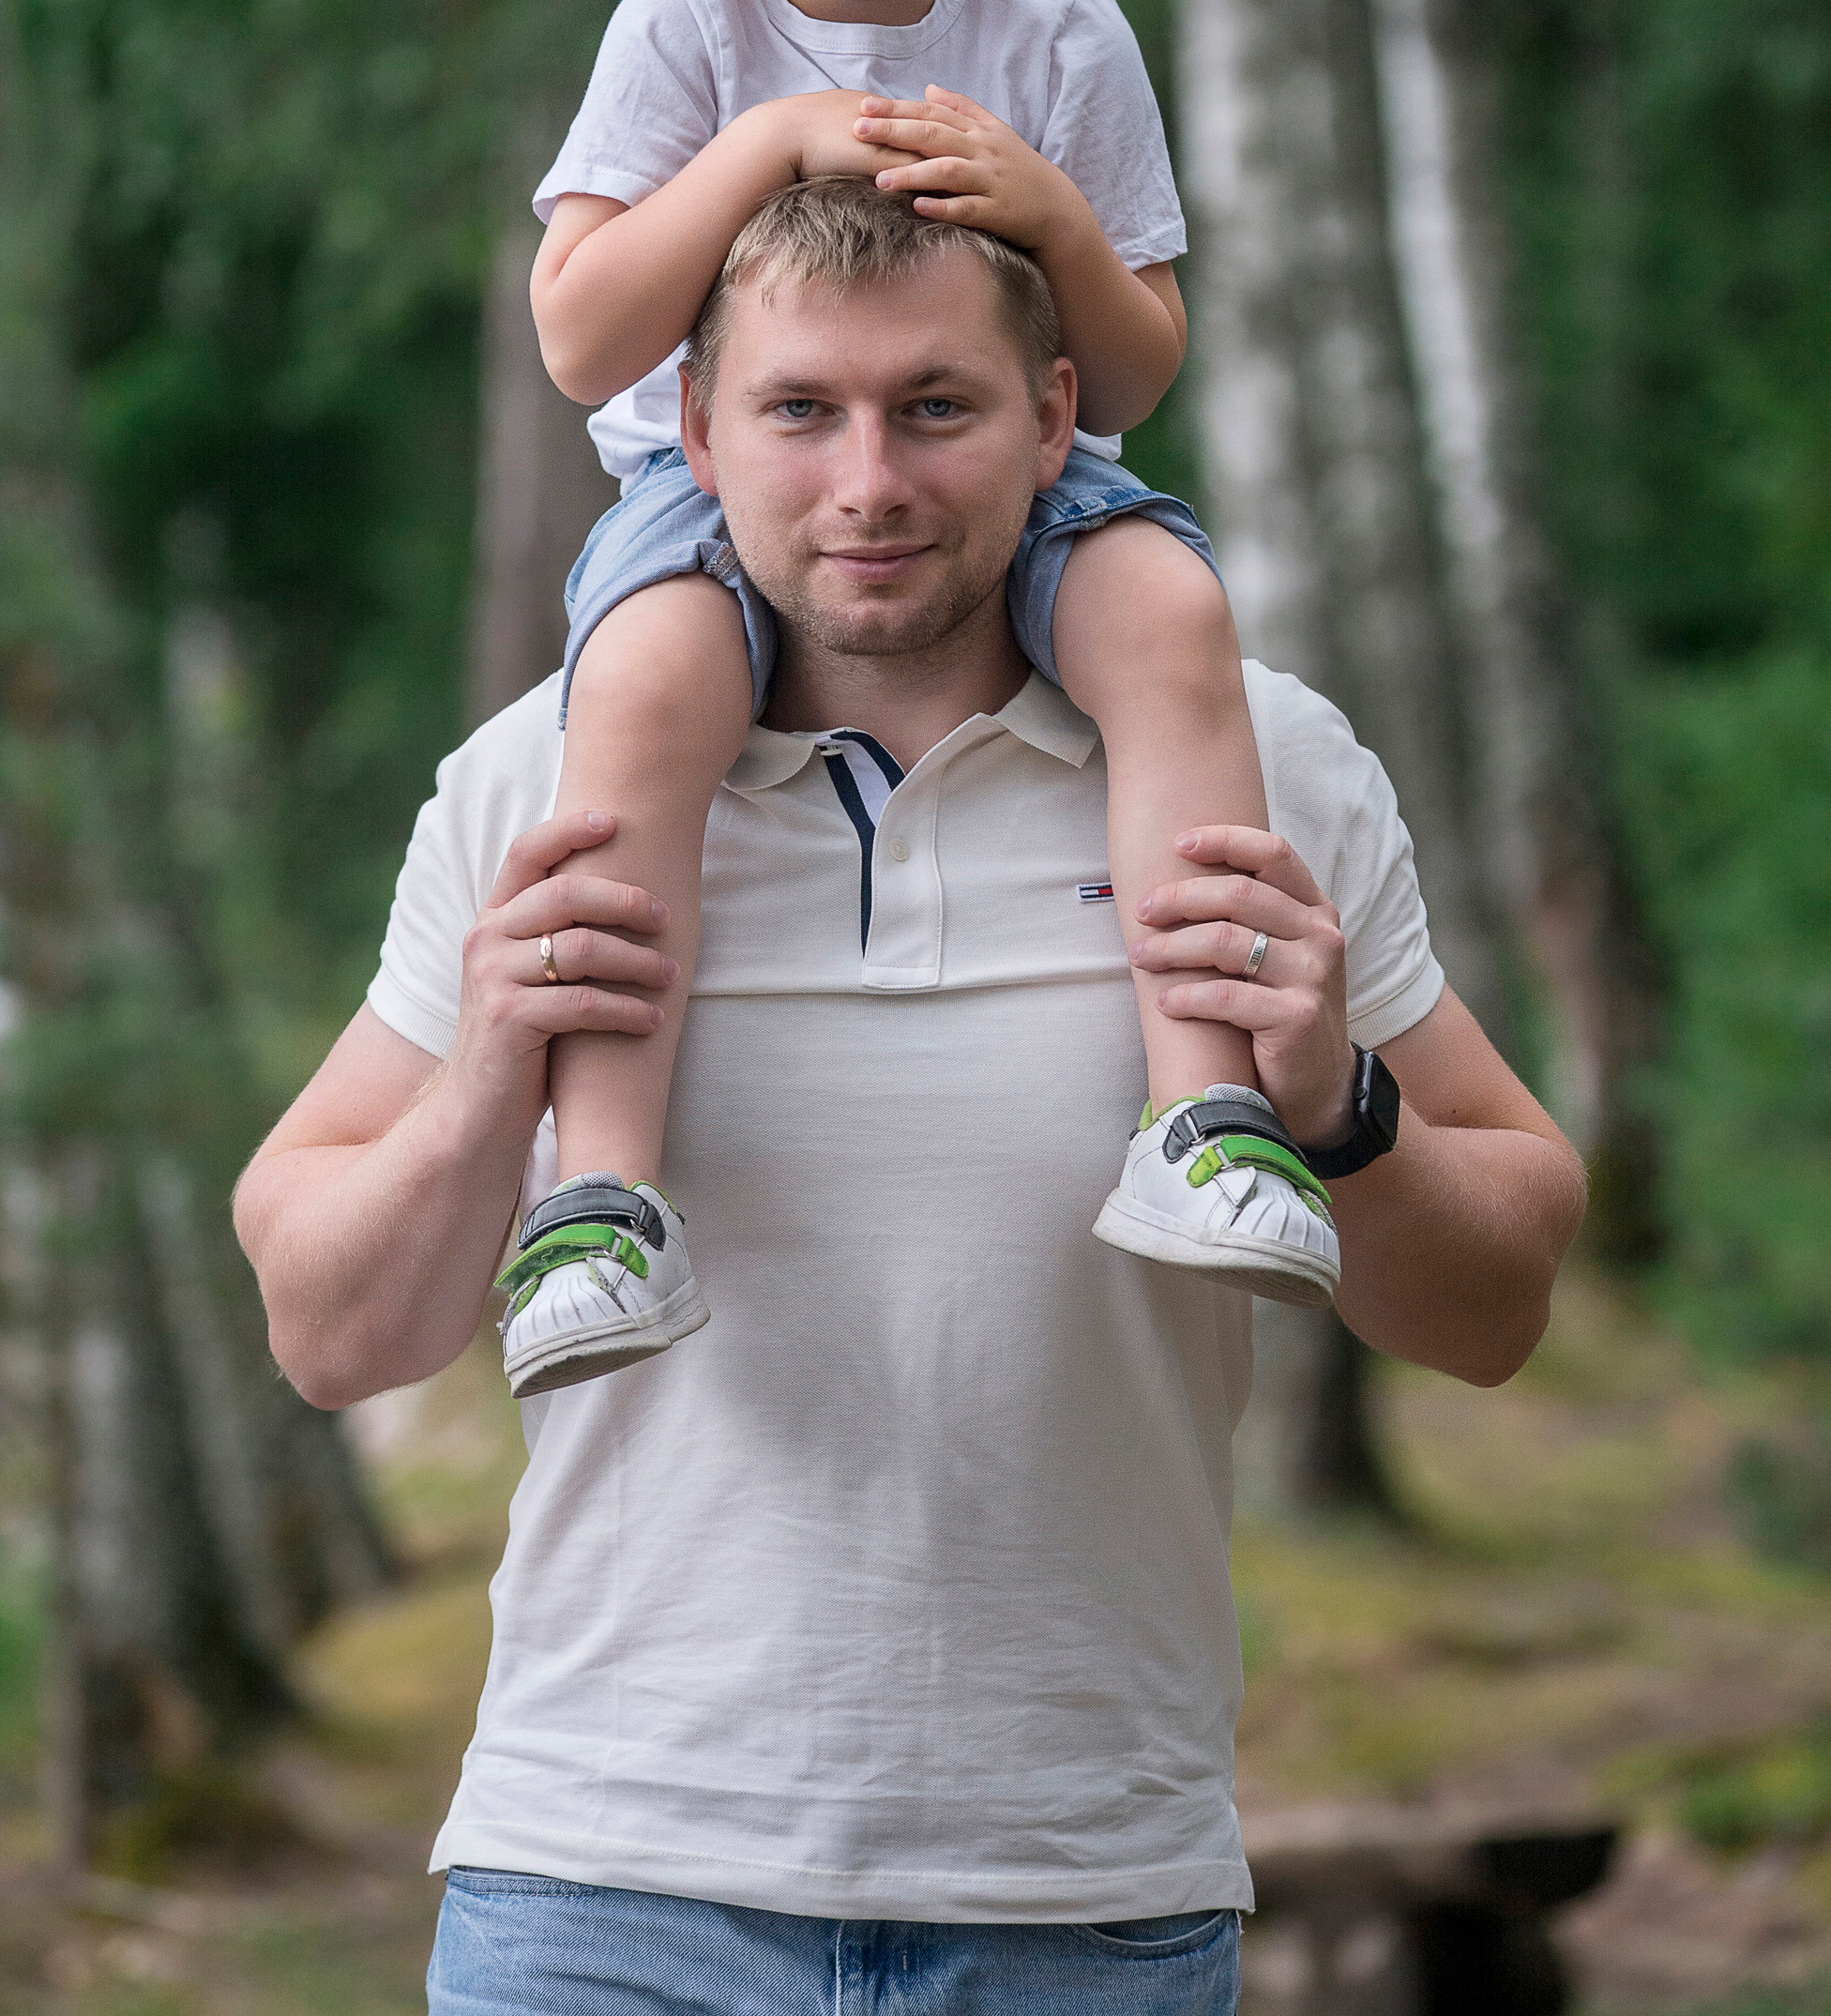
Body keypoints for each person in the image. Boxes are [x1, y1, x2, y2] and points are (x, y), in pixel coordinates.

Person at [235, 180, 1586, 2016]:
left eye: (935, 406)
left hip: (1089, 1903)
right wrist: (489, 1081)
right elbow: (326, 1331)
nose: (867, 482)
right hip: (603, 1896)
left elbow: (1500, 1306)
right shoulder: (545, 782)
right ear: (694, 428)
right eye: (800, 410)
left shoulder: (1252, 765)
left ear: (1053, 415)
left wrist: (1337, 1104)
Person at [509, 0, 1317, 1398]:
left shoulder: (1055, 21)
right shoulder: (686, 16)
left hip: (1016, 478)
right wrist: (769, 144)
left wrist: (1053, 218)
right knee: (646, 679)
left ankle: (1204, 1118)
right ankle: (600, 1197)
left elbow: (1135, 367)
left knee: (1166, 613)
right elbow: (580, 336)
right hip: (716, 494)